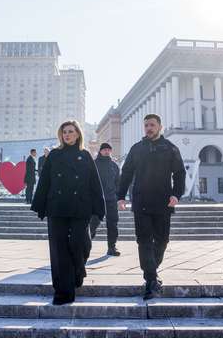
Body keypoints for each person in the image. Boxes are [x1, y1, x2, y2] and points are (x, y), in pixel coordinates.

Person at [31, 120, 105, 305]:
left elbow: (94, 183)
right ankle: (63, 291)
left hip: (80, 207)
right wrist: (40, 205)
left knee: (80, 243)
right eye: (64, 132)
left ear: (78, 134)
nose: (67, 134)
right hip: (57, 207)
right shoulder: (54, 155)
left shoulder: (85, 155)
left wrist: (99, 207)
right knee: (58, 250)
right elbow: (45, 181)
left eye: (71, 131)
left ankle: (78, 270)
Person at [117, 114, 186, 300]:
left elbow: (180, 173)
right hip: (141, 202)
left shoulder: (170, 149)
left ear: (160, 127)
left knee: (162, 240)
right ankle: (151, 280)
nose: (149, 128)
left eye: (152, 125)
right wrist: (120, 196)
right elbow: (126, 173)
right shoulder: (137, 149)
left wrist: (176, 194)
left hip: (163, 201)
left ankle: (151, 273)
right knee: (144, 241)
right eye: (146, 125)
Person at [89, 143, 122, 256]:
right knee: (93, 223)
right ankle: (86, 243)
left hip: (111, 199)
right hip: (97, 200)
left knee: (113, 223)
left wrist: (117, 196)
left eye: (109, 149)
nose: (107, 151)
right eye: (105, 150)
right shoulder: (94, 164)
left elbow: (118, 182)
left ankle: (112, 247)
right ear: (101, 151)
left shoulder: (114, 165)